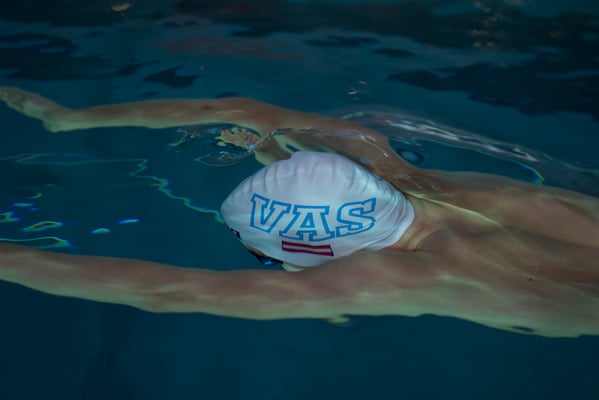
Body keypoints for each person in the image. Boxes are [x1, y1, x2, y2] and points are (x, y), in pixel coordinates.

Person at [0, 86, 598, 338]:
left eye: (266, 258)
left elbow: (168, 291)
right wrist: (70, 118)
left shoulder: (389, 278)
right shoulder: (397, 167)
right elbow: (239, 106)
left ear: (316, 256)